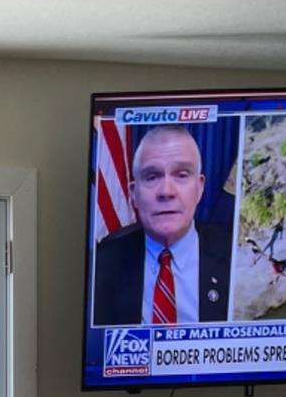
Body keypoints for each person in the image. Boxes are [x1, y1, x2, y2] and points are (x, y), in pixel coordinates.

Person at [93, 126, 231, 325]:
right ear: (133, 194)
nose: (166, 191)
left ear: (199, 188)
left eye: (181, 175)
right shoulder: (102, 265)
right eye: (152, 177)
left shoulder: (237, 256)